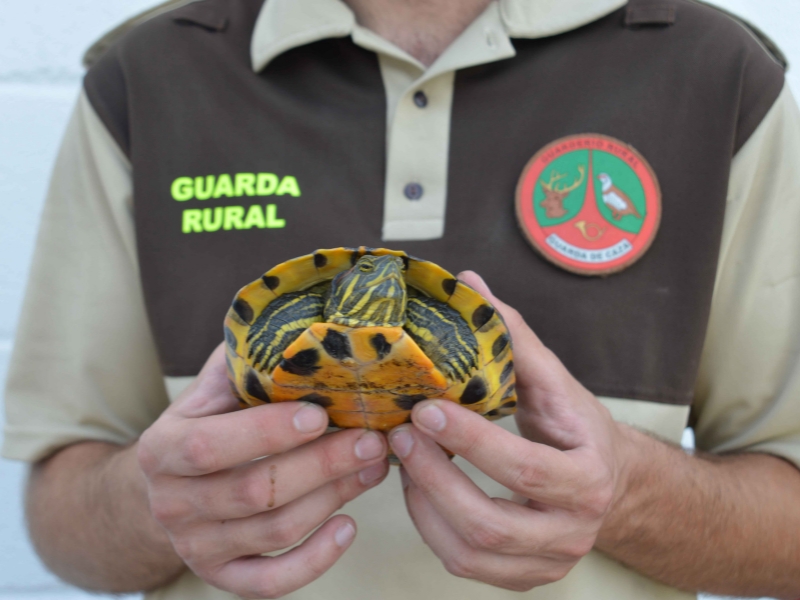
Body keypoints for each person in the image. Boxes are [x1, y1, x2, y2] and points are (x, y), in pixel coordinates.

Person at [4, 0, 800, 598]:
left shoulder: (715, 72)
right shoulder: (150, 75)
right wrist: (162, 501)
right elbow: (60, 510)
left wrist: (626, 493)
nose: (372, 287)